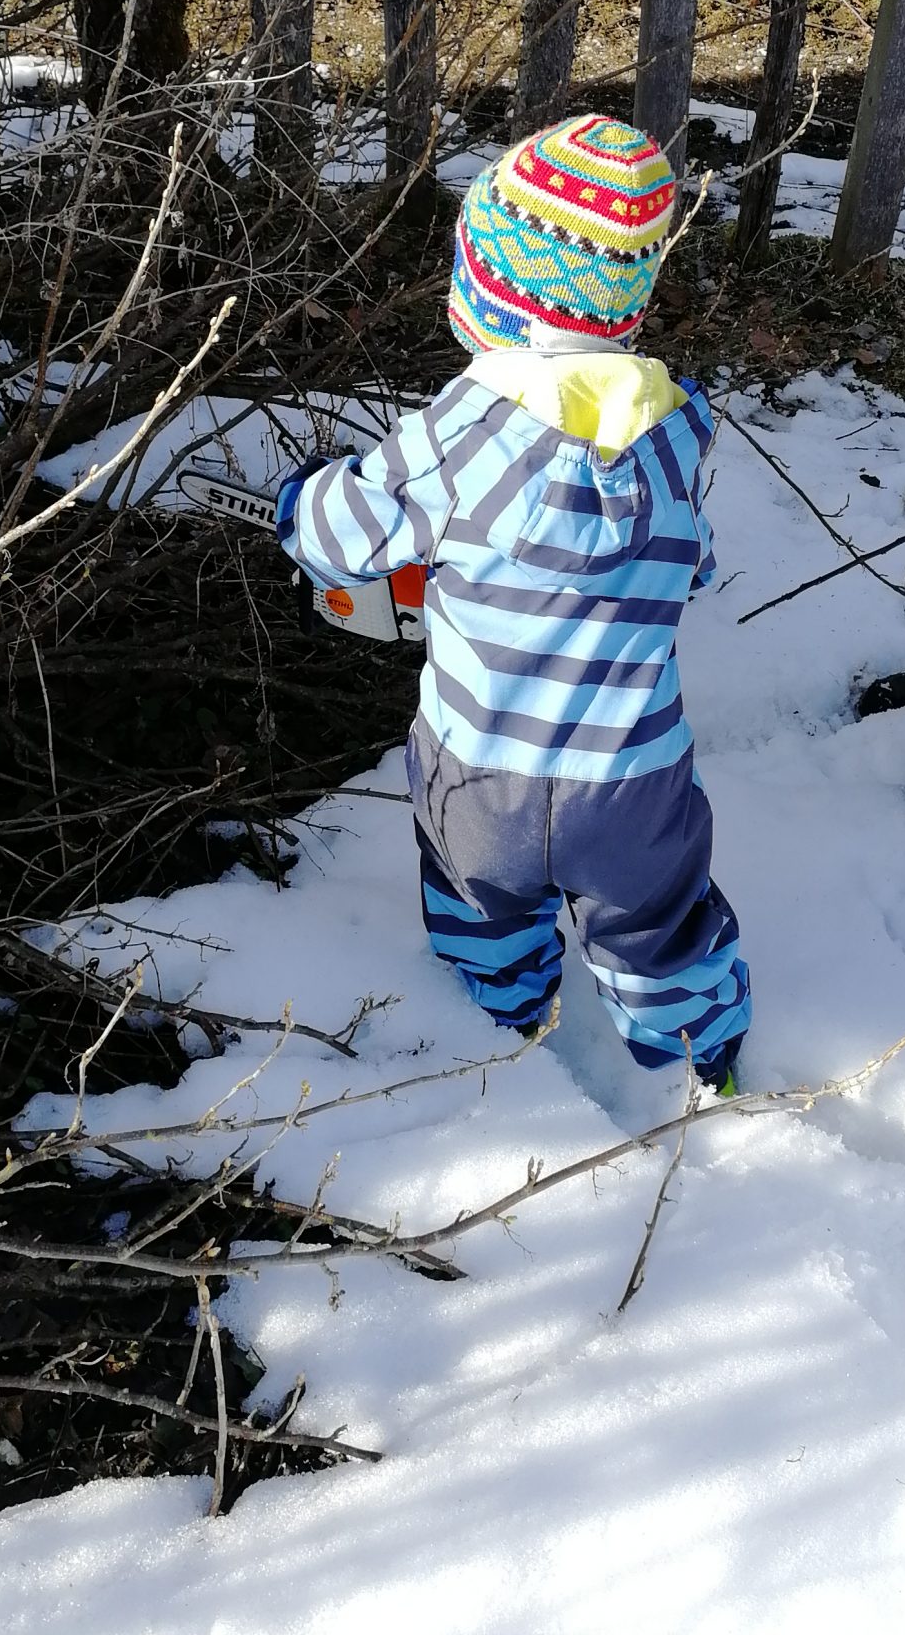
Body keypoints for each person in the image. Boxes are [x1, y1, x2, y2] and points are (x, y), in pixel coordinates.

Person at [276, 115, 752, 1090]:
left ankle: (503, 1043)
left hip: (479, 778)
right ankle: (705, 1066)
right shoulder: (674, 437)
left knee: (480, 917)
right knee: (663, 930)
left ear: (500, 296)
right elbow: (692, 560)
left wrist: (302, 499)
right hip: (633, 788)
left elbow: (350, 535)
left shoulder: (466, 430)